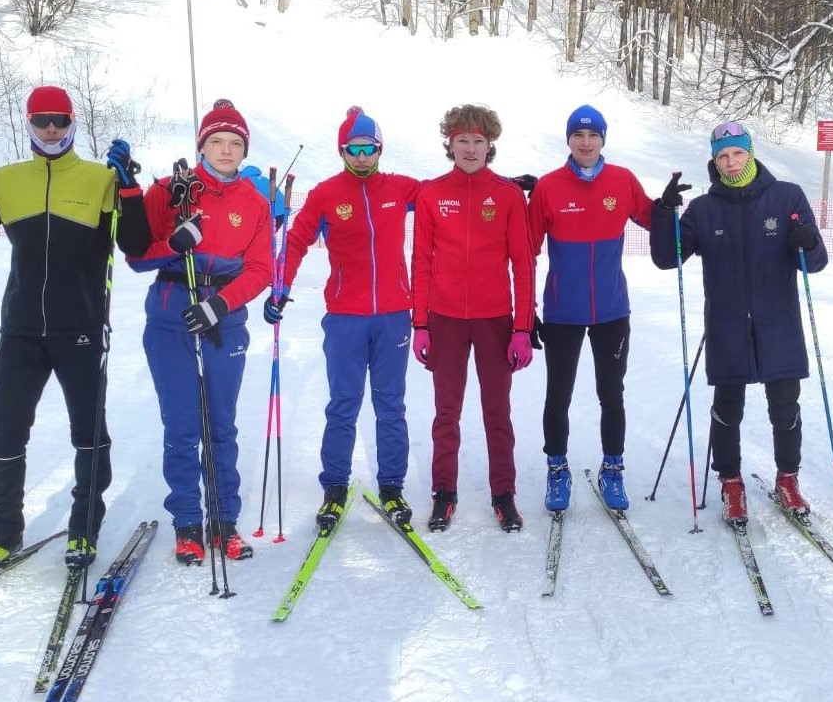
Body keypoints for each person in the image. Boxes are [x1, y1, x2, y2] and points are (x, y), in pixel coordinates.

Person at [0, 85, 150, 574]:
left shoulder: (99, 179)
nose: (51, 128)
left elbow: (136, 245)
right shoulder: (8, 179)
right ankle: (3, 534)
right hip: (20, 331)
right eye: (41, 121)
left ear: (72, 122)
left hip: (80, 328)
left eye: (59, 119)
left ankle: (84, 529)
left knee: (88, 435)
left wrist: (129, 188)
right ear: (29, 124)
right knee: (5, 435)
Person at [649, 121, 827, 526]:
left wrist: (808, 241)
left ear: (751, 153)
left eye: (737, 154)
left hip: (778, 321)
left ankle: (788, 479)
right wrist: (664, 214)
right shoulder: (703, 209)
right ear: (715, 161)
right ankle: (731, 482)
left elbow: (815, 263)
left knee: (785, 408)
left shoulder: (787, 197)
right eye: (723, 156)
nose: (731, 163)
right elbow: (668, 257)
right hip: (727, 323)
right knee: (727, 409)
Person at [129, 99, 273, 564]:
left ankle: (224, 520)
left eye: (235, 143)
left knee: (221, 426)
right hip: (171, 319)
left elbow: (260, 268)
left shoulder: (254, 201)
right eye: (217, 141)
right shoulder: (172, 190)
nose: (226, 150)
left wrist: (220, 304)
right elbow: (136, 257)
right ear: (202, 145)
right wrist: (174, 243)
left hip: (223, 321)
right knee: (183, 424)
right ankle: (187, 522)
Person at [265, 107, 421, 528]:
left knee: (391, 406)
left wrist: (497, 186)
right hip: (345, 319)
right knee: (343, 405)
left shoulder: (399, 188)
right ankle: (334, 485)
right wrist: (279, 287)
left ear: (379, 148)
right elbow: (296, 242)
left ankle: (392, 485)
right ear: (342, 151)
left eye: (368, 149)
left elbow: (448, 197)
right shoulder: (326, 194)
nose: (361, 157)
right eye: (353, 149)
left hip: (393, 317)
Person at [412, 104, 536, 532]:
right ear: (449, 143)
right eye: (462, 140)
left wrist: (522, 328)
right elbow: (421, 263)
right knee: (446, 411)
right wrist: (420, 323)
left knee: (496, 411)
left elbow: (523, 264)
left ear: (490, 145)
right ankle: (443, 493)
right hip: (444, 319)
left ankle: (504, 495)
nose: (470, 148)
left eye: (478, 140)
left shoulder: (506, 195)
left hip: (494, 320)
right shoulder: (430, 194)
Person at [527, 105, 655, 512]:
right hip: (563, 312)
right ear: (568, 140)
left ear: (603, 140)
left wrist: (667, 207)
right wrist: (525, 309)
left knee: (611, 393)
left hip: (612, 311)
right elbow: (526, 251)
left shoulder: (622, 180)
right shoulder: (548, 187)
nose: (586, 142)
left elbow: (654, 219)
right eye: (578, 135)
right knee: (558, 395)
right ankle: (557, 467)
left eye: (593, 136)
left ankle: (612, 468)